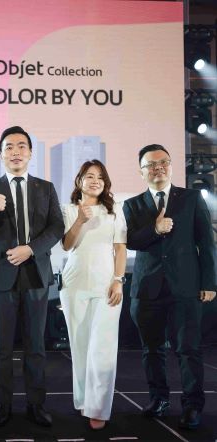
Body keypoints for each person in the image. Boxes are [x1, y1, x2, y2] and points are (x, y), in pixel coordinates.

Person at [0, 126, 64, 427]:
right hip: (1, 277)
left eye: (21, 146)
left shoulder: (45, 188)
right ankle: (3, 405)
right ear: (0, 154)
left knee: (35, 346)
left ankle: (36, 405)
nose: (15, 152)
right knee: (1, 347)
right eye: (9, 147)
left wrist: (31, 249)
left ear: (30, 152)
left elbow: (56, 227)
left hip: (36, 275)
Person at [123, 144, 216, 430]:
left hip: (185, 287)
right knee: (152, 351)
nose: (158, 168)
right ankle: (159, 400)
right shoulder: (132, 205)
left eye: (163, 162)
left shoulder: (191, 198)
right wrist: (155, 228)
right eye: (151, 164)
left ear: (171, 165)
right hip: (147, 289)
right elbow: (130, 242)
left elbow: (206, 242)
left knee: (189, 349)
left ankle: (192, 406)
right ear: (141, 172)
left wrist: (209, 282)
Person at [59, 160, 126, 430]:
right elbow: (67, 245)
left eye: (100, 176)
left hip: (106, 286)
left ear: (105, 183)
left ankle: (98, 408)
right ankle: (84, 400)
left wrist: (118, 281)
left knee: (103, 348)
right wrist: (79, 220)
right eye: (89, 176)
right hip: (74, 285)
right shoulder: (67, 209)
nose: (95, 180)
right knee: (80, 346)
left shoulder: (115, 210)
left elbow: (120, 248)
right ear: (80, 181)